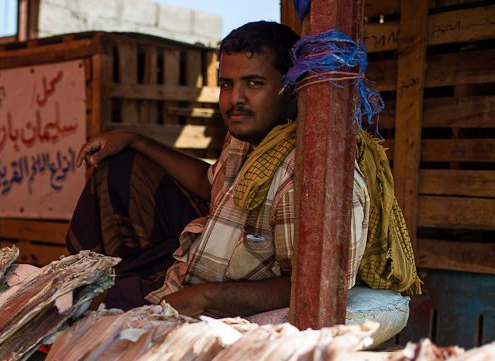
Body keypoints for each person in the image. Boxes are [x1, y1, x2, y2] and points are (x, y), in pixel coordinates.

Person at [66, 21, 419, 318]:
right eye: (226, 84)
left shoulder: (308, 173)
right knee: (122, 169)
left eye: (254, 84)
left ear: (291, 89)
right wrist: (136, 140)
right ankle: (83, 278)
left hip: (223, 285)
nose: (235, 98)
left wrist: (204, 298)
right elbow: (212, 187)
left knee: (78, 310)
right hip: (197, 260)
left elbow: (315, 285)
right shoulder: (249, 137)